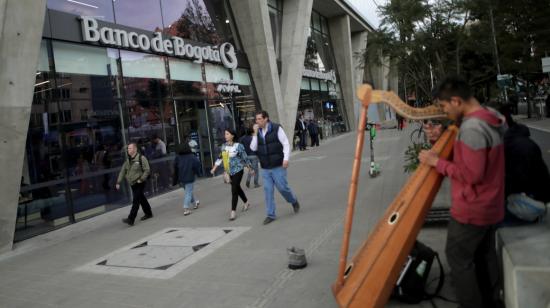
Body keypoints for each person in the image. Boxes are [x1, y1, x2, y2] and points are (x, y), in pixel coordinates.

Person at [419, 76, 506, 308]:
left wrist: (435, 161)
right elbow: (476, 157)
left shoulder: (472, 128)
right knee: (484, 255)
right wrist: (442, 139)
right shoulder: (488, 116)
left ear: (456, 101)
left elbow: (472, 175)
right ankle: (492, 300)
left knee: (458, 258)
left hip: (473, 208)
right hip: (491, 204)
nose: (444, 112)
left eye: (445, 106)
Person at [499, 105, 550, 223]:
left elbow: (517, 181)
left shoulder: (520, 146)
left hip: (528, 202)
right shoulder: (510, 142)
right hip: (525, 197)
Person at [251, 110, 300, 225]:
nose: (257, 122)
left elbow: (286, 144)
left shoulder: (277, 128)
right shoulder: (257, 132)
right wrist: (254, 134)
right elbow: (253, 148)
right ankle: (270, 214)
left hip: (278, 165)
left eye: (259, 119)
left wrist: (286, 159)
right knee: (268, 190)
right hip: (266, 167)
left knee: (283, 188)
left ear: (266, 119)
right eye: (256, 119)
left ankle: (293, 200)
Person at [210, 128, 252, 221]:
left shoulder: (238, 146)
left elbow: (245, 158)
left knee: (234, 190)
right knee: (237, 188)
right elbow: (220, 158)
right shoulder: (223, 146)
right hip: (229, 171)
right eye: (225, 134)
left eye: (227, 134)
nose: (226, 136)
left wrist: (250, 168)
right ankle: (246, 202)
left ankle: (233, 211)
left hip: (238, 170)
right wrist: (214, 169)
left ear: (232, 135)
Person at [116, 142, 153, 226]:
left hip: (140, 182)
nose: (128, 150)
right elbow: (122, 171)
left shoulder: (141, 158)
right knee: (141, 198)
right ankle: (149, 213)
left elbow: (147, 170)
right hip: (132, 183)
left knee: (136, 200)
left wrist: (141, 179)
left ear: (135, 149)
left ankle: (131, 219)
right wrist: (118, 182)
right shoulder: (128, 160)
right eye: (128, 148)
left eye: (130, 148)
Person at [173, 143, 201, 216]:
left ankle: (195, 203)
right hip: (189, 177)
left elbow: (175, 167)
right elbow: (197, 164)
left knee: (188, 191)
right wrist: (197, 172)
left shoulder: (178, 157)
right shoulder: (191, 156)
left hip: (181, 178)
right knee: (188, 192)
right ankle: (186, 208)